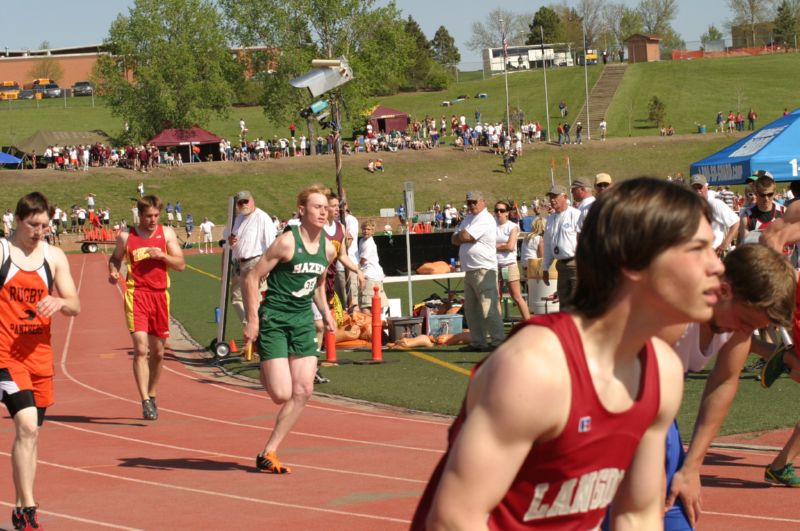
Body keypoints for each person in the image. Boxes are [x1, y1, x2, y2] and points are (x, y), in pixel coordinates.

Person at [412, 178, 720, 530]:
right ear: (634, 263)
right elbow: (454, 521)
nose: (717, 266)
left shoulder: (662, 373)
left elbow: (637, 516)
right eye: (698, 250)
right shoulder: (536, 370)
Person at [657, 244, 796, 530]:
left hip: (659, 417)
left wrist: (692, 466)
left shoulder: (737, 328)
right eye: (745, 322)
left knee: (676, 512)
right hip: (610, 409)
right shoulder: (673, 314)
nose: (745, 334)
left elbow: (723, 383)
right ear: (724, 290)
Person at [242, 184, 337, 474]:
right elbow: (251, 278)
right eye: (317, 207)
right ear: (302, 211)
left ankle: (269, 451)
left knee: (304, 389)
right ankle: (266, 365)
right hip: (275, 319)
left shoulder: (329, 248)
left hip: (302, 321)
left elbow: (318, 283)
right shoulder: (286, 242)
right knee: (281, 394)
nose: (323, 211)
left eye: (326, 207)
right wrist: (253, 319)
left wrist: (325, 311)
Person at [1, 192, 80, 530]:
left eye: (45, 225)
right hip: (5, 355)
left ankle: (20, 508)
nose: (39, 232)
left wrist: (58, 302)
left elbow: (75, 304)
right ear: (18, 221)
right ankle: (30, 507)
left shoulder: (54, 256)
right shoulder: (3, 252)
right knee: (27, 424)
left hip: (40, 358)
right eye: (33, 225)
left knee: (31, 436)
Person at [108, 195, 185, 420]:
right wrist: (113, 271)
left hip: (160, 296)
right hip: (136, 295)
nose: (152, 220)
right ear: (139, 216)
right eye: (148, 216)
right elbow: (115, 259)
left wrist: (163, 255)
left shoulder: (167, 234)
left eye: (155, 216)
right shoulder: (126, 236)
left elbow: (180, 264)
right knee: (141, 349)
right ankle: (144, 400)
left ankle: (151, 394)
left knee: (158, 353)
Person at [451, 190, 503, 352]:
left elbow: (464, 237)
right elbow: (454, 238)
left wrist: (461, 236)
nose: (471, 205)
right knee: (471, 310)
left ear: (483, 202)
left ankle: (498, 341)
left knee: (489, 307)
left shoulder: (485, 218)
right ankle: (478, 342)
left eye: (474, 202)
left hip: (483, 268)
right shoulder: (468, 218)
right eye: (469, 202)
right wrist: (461, 236)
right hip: (470, 269)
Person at [225, 191, 277, 329]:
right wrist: (231, 240)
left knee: (255, 302)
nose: (243, 204)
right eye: (240, 202)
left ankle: (257, 334)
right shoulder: (239, 218)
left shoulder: (262, 217)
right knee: (238, 299)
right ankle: (251, 329)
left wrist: (266, 268)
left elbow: (271, 244)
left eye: (245, 201)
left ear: (252, 201)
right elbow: (234, 240)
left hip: (256, 262)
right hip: (240, 264)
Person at [542, 184, 582, 308]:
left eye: (555, 196)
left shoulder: (576, 214)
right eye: (550, 197)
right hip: (560, 265)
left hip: (575, 263)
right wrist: (545, 267)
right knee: (564, 305)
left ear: (564, 196)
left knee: (578, 303)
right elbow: (548, 244)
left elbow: (583, 240)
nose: (552, 200)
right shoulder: (550, 219)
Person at [495, 200, 530, 321]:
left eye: (502, 210)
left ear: (507, 213)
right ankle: (498, 328)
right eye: (496, 210)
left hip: (510, 265)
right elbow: (486, 244)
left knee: (516, 297)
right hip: (495, 266)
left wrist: (495, 246)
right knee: (496, 298)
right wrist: (502, 245)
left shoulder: (512, 226)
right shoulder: (491, 226)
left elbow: (510, 246)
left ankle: (528, 322)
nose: (499, 213)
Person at [689, 174, 739, 257]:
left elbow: (736, 222)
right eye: (694, 188)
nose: (698, 191)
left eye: (700, 187)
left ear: (706, 187)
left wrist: (724, 245)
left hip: (714, 252)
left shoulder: (715, 204)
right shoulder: (691, 206)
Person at [357, 220, 388, 314]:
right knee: (370, 305)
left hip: (371, 276)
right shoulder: (362, 240)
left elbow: (362, 260)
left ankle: (371, 326)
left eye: (368, 229)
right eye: (364, 229)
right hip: (371, 276)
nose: (366, 231)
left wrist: (355, 269)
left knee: (366, 305)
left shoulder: (369, 243)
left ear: (372, 231)